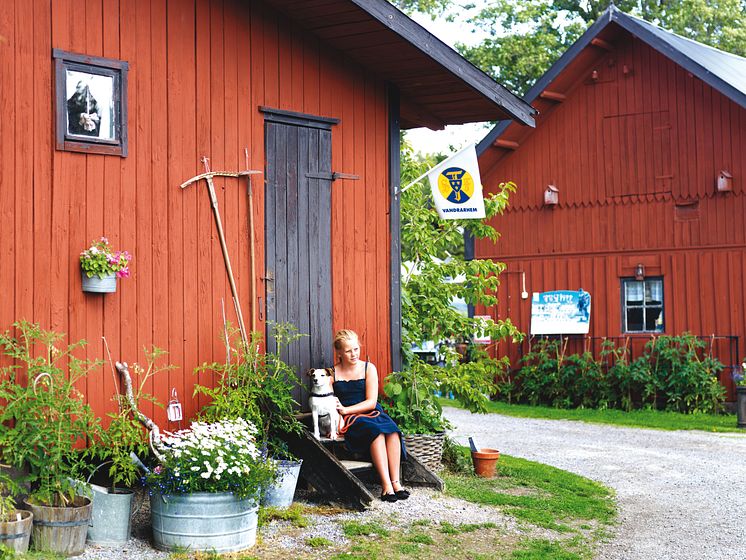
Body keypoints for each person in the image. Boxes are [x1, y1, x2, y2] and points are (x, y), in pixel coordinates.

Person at [332, 329, 409, 503]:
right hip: (352, 419)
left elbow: (371, 402)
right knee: (376, 432)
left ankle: (396, 483)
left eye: (356, 349)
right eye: (348, 351)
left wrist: (346, 409)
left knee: (392, 430)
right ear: (339, 353)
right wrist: (338, 420)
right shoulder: (332, 373)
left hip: (370, 411)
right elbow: (329, 402)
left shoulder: (368, 368)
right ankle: (386, 485)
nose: (353, 354)